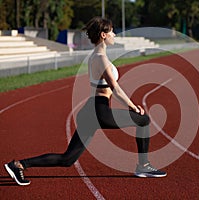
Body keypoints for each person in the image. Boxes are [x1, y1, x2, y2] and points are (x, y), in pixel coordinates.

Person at [4, 16, 167, 186]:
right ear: (103, 35)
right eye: (111, 31)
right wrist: (133, 107)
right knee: (144, 120)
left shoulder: (96, 56)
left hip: (91, 111)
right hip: (100, 111)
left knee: (68, 159)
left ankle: (19, 164)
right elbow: (115, 88)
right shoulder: (101, 58)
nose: (114, 35)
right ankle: (143, 166)